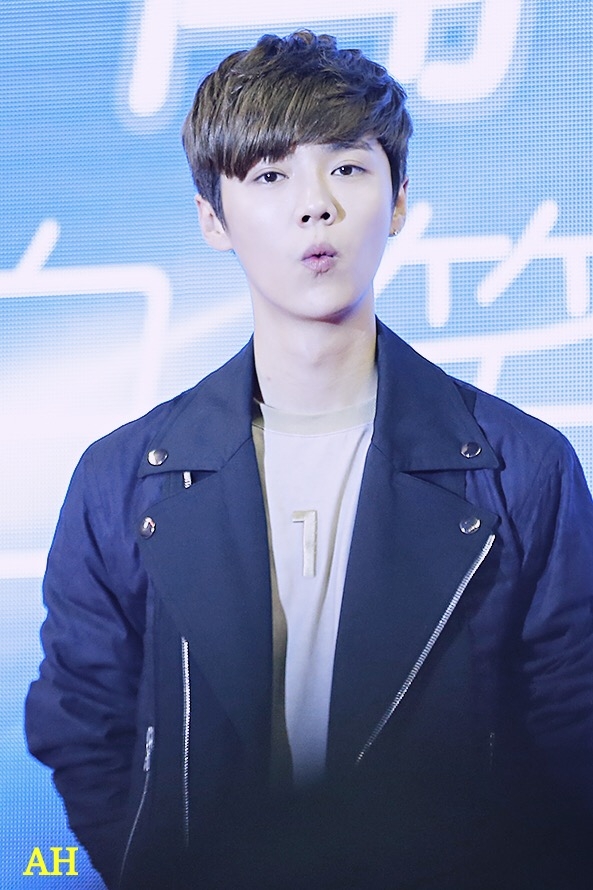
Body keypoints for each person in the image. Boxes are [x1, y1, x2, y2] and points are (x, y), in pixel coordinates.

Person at [26, 30, 593, 889]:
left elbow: (571, 734)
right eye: (270, 176)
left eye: (348, 167)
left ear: (397, 201)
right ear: (212, 218)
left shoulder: (522, 469)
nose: (314, 206)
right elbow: (80, 721)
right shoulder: (122, 479)